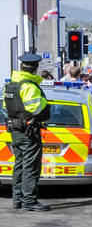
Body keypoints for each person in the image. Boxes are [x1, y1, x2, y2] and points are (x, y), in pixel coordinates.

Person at [4, 53, 51, 211]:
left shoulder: (11, 85)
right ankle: (29, 201)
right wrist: (45, 101)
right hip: (28, 131)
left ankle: (17, 199)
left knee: (19, 164)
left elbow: (7, 108)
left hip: (15, 130)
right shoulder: (28, 86)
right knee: (31, 166)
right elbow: (37, 108)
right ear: (35, 69)